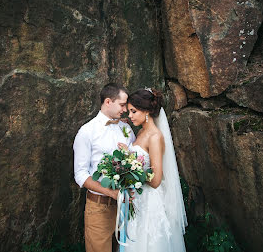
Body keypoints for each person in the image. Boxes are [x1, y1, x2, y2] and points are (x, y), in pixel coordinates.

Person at [118, 88, 188, 252]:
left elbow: (156, 180)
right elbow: (141, 160)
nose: (130, 116)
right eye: (129, 111)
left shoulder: (155, 137)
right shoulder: (142, 131)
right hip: (138, 199)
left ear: (147, 111)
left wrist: (131, 167)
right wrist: (128, 157)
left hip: (149, 202)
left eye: (133, 111)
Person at [73, 83, 136, 252]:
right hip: (99, 208)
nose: (125, 110)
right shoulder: (87, 132)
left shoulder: (127, 129)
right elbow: (80, 174)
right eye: (122, 105)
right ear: (108, 102)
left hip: (127, 209)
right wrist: (110, 193)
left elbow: (136, 161)